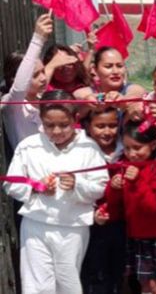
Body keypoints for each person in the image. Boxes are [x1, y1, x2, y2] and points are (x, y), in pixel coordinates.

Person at [2, 90, 108, 294]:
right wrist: (36, 187)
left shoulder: (89, 148)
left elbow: (100, 187)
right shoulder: (29, 146)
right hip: (35, 225)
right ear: (41, 120)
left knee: (67, 281)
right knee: (36, 283)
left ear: (75, 119)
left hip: (72, 227)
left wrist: (78, 184)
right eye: (50, 125)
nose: (57, 131)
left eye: (64, 125)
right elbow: (11, 184)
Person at [105, 120, 156, 294]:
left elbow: (152, 206)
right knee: (144, 285)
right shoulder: (124, 165)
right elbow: (115, 205)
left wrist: (137, 181)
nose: (132, 154)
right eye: (127, 148)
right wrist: (113, 188)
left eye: (137, 148)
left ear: (153, 145)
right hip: (136, 235)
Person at [80, 107, 127, 294]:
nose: (107, 131)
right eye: (100, 126)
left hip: (122, 223)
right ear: (88, 128)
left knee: (118, 271)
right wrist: (92, 214)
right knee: (95, 273)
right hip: (92, 222)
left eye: (112, 126)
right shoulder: (82, 152)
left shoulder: (126, 151)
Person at [1, 13, 51, 151]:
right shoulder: (12, 104)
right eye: (34, 75)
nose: (43, 78)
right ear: (13, 79)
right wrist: (38, 39)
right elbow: (19, 88)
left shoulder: (45, 101)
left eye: (43, 71)